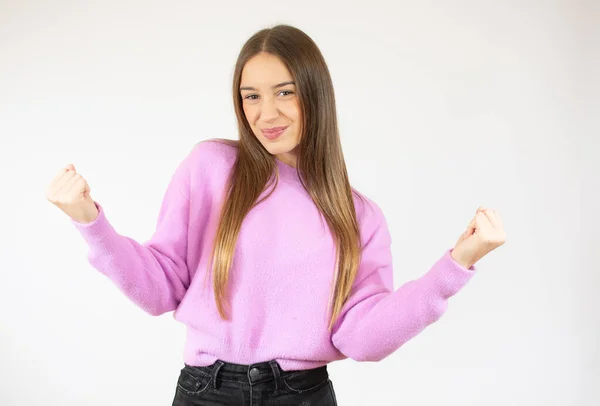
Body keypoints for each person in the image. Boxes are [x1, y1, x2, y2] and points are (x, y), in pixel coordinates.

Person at [45, 24, 505, 406]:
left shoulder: (357, 214)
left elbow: (362, 338)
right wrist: (90, 222)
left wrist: (455, 265)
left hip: (301, 395)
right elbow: (159, 289)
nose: (266, 114)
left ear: (314, 94)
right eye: (251, 97)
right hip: (207, 393)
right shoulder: (210, 167)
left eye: (284, 92)